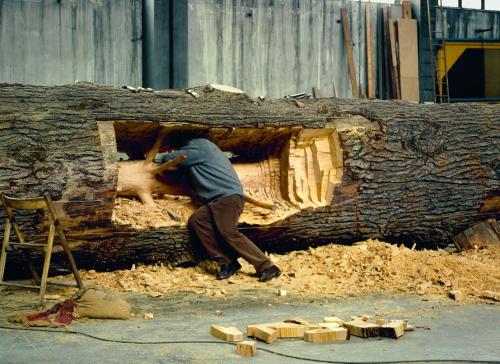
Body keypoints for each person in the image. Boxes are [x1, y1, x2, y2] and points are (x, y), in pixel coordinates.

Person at [155, 132, 281, 282]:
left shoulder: (201, 146)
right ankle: (228, 262)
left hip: (227, 198)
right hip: (215, 200)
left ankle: (267, 266)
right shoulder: (198, 153)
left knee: (228, 232)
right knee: (197, 221)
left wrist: (163, 156)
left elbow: (171, 158)